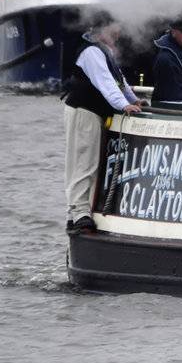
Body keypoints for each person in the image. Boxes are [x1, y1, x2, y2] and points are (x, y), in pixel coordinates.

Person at [63, 21, 142, 233]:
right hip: (84, 111)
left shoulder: (104, 51)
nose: (118, 32)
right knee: (83, 162)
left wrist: (134, 99)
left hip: (94, 112)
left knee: (92, 163)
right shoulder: (91, 52)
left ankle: (80, 211)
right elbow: (105, 82)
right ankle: (79, 212)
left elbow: (119, 81)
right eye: (113, 27)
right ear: (100, 30)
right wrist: (123, 104)